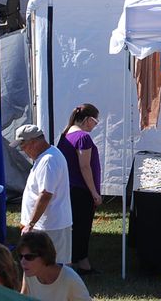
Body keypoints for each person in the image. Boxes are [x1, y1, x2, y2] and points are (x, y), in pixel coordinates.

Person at [14, 125, 72, 264]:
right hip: (47, 225)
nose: (23, 150)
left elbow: (46, 194)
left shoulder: (48, 160)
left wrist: (31, 223)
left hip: (49, 227)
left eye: (23, 145)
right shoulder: (46, 157)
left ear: (33, 142)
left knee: (52, 266)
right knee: (41, 265)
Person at [57, 104, 102, 274]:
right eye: (95, 122)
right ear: (88, 119)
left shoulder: (65, 134)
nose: (95, 125)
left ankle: (78, 261)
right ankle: (81, 263)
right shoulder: (83, 138)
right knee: (82, 227)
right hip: (81, 190)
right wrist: (94, 193)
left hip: (70, 188)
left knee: (75, 226)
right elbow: (85, 167)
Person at [18, 231, 91, 301]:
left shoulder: (70, 279)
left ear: (44, 256)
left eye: (29, 257)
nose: (23, 262)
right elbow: (22, 298)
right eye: (21, 257)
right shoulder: (30, 274)